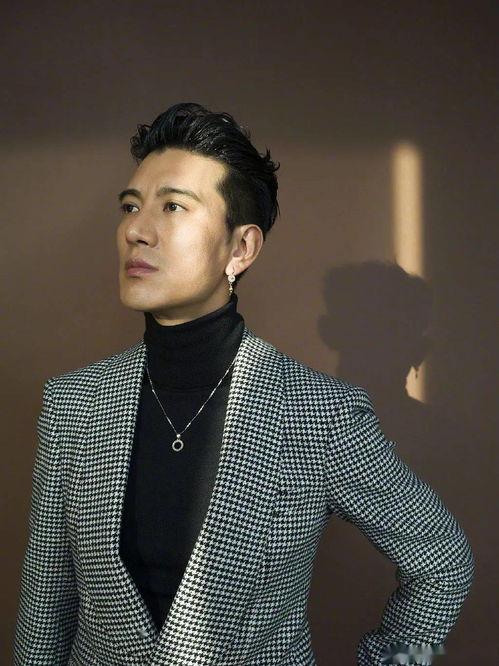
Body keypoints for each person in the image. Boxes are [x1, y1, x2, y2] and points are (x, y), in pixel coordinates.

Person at [14, 102, 474, 666]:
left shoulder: (321, 413)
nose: (135, 230)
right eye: (130, 206)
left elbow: (442, 563)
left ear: (241, 248)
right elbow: (45, 607)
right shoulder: (72, 403)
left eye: (173, 206)